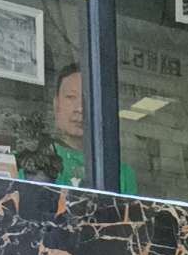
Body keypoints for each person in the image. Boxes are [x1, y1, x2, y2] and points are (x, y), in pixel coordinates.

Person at [50, 64, 137, 193]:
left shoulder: (121, 173)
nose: (79, 108)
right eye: (71, 97)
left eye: (88, 98)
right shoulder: (33, 161)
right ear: (56, 105)